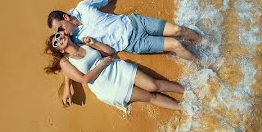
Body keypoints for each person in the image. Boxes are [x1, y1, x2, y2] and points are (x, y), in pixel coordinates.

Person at [47, 0, 203, 105]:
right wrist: (67, 86)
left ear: (66, 17)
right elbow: (69, 63)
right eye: (58, 33)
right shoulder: (74, 40)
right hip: (133, 42)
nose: (61, 33)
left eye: (60, 28)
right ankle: (203, 63)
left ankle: (205, 42)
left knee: (177, 29)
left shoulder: (83, 7)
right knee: (176, 45)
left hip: (135, 22)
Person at [45, 29, 184, 111]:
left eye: (58, 35)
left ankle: (186, 90)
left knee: (154, 85)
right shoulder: (65, 62)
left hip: (117, 68)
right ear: (60, 49)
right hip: (108, 87)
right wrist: (103, 63)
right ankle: (184, 109)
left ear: (63, 33)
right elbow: (84, 79)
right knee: (150, 97)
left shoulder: (83, 41)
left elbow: (110, 52)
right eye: (56, 43)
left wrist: (95, 43)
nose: (59, 39)